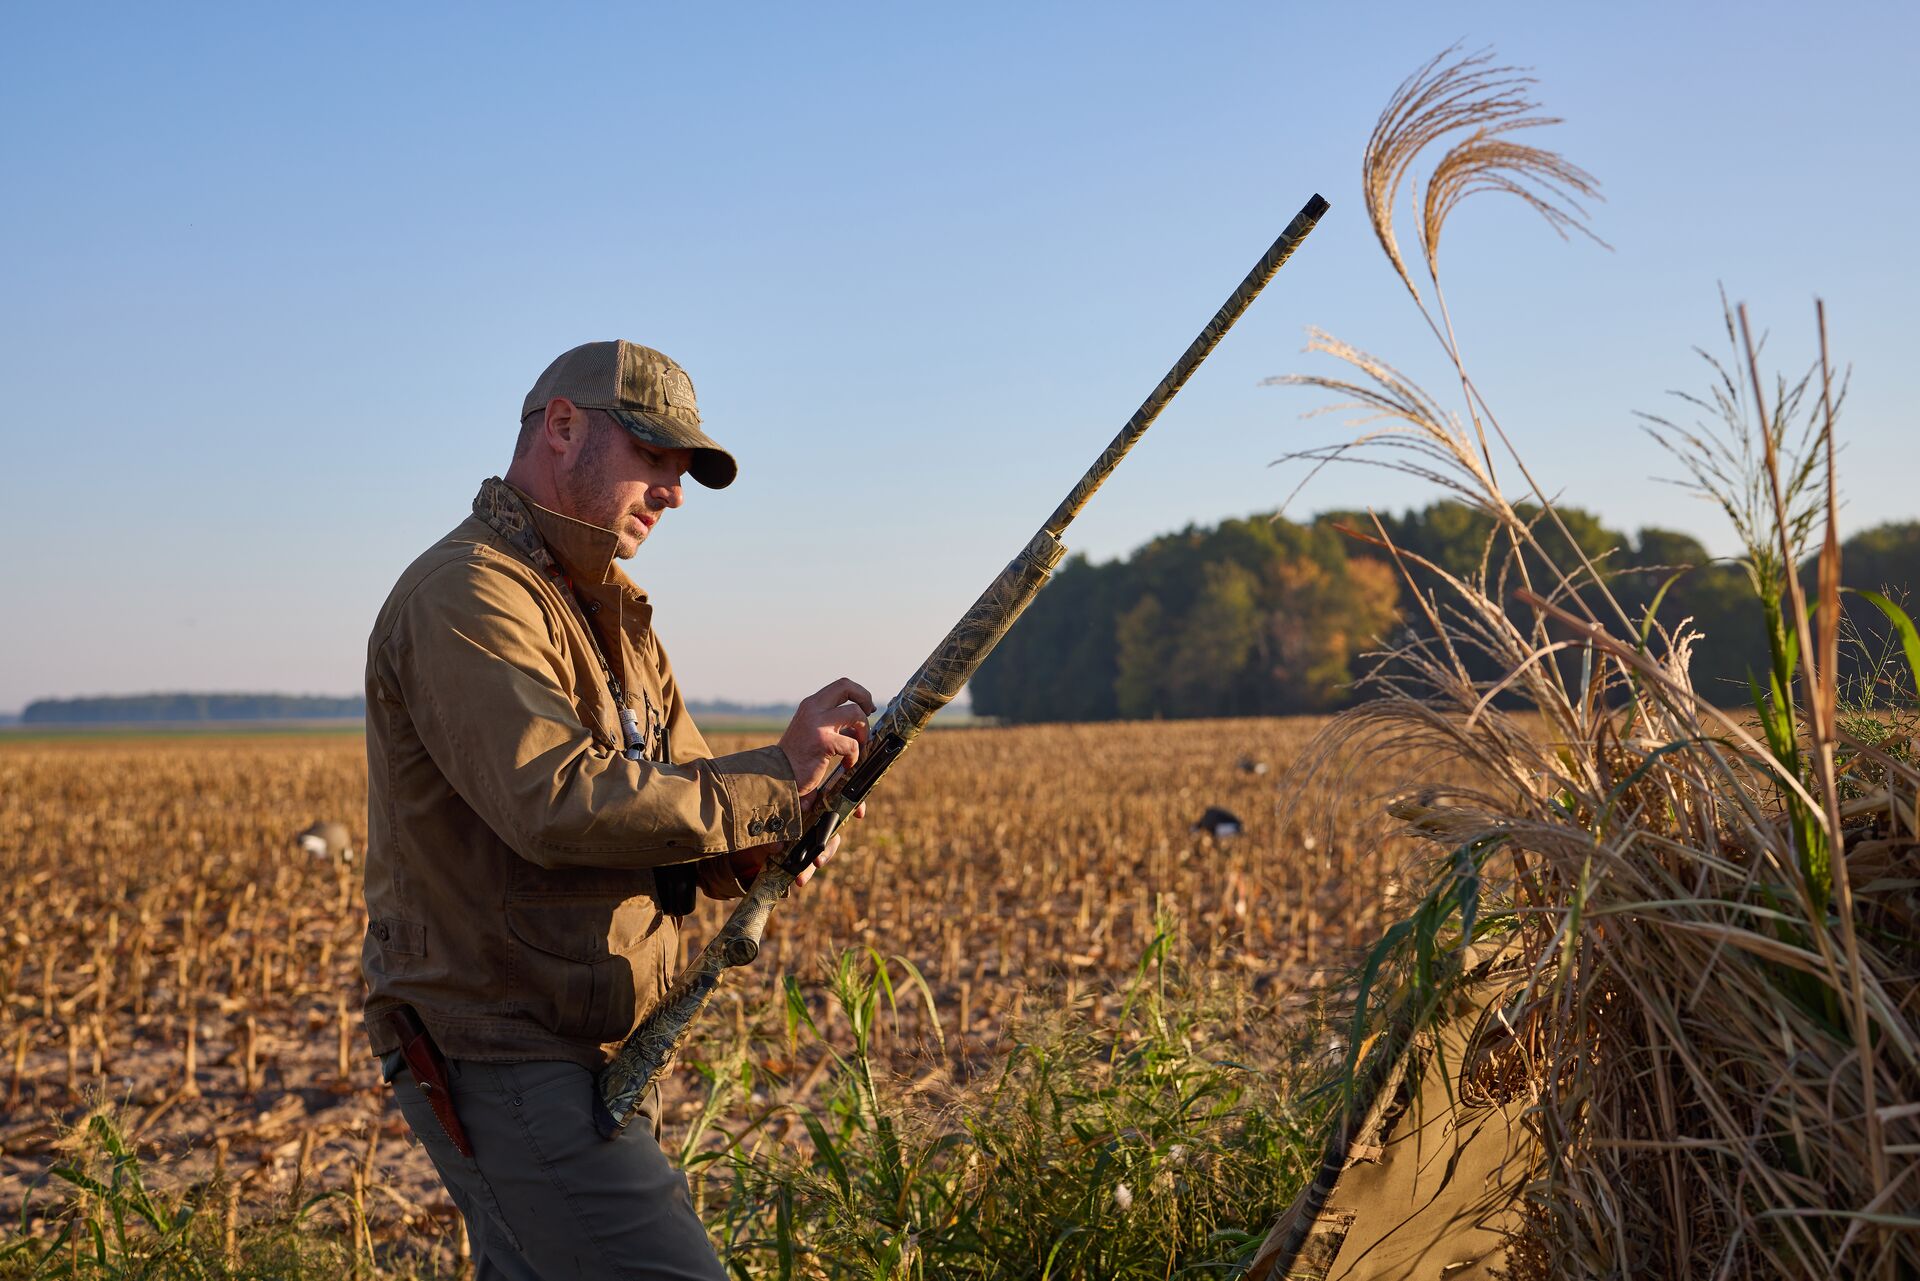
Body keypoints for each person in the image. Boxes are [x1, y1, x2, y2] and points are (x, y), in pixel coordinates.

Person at [359, 339, 873, 1279]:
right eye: (654, 459)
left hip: (589, 1051)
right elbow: (554, 801)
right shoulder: (468, 594)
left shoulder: (616, 618)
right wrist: (765, 784)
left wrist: (779, 827)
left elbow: (678, 818)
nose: (673, 493)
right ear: (562, 426)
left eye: (682, 472)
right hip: (509, 1048)